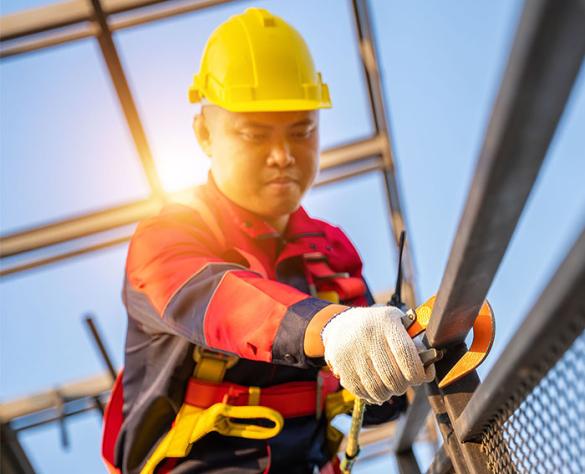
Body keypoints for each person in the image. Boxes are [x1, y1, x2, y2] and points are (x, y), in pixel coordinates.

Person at [101, 7, 434, 474]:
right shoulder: (166, 238)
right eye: (255, 134)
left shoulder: (331, 251)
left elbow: (375, 403)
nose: (282, 156)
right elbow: (224, 301)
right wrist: (330, 326)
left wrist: (401, 356)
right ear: (204, 133)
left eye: (302, 131)